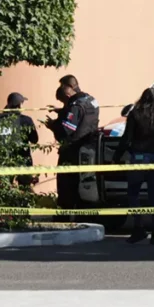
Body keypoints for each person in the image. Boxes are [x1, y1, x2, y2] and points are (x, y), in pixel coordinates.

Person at [113, 88, 154, 245]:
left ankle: (138, 227)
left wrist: (117, 156)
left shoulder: (135, 114)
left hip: (139, 156)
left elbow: (127, 137)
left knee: (133, 193)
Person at [45, 75, 100, 210]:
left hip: (72, 151)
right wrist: (62, 110)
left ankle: (64, 217)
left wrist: (52, 125)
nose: (61, 89)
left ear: (69, 88)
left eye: (62, 86)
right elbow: (83, 116)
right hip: (90, 150)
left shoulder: (75, 107)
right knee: (85, 186)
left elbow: (66, 130)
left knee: (66, 187)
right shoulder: (92, 101)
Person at [0, 92, 39, 190]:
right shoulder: (26, 120)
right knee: (25, 188)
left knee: (3, 188)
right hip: (23, 159)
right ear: (19, 105)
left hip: (3, 159)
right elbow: (34, 140)